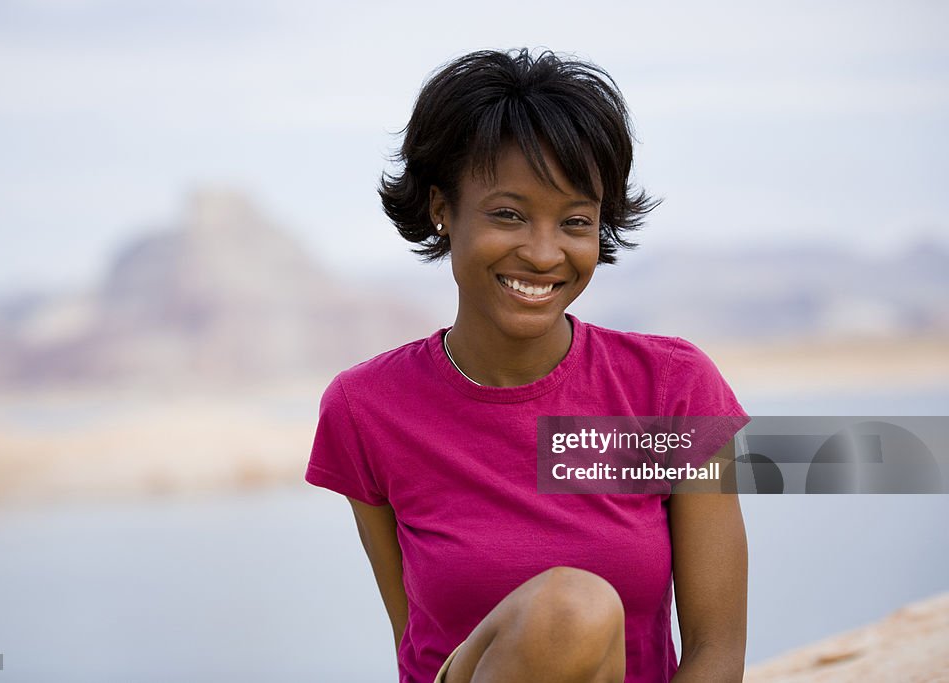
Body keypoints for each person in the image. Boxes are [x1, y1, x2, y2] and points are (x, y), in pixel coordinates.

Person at [305, 48, 749, 683]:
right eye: (508, 214)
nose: (544, 254)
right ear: (441, 207)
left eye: (575, 222)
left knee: (573, 607)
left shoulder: (671, 387)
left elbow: (717, 653)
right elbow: (417, 642)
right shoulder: (366, 408)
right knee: (573, 609)